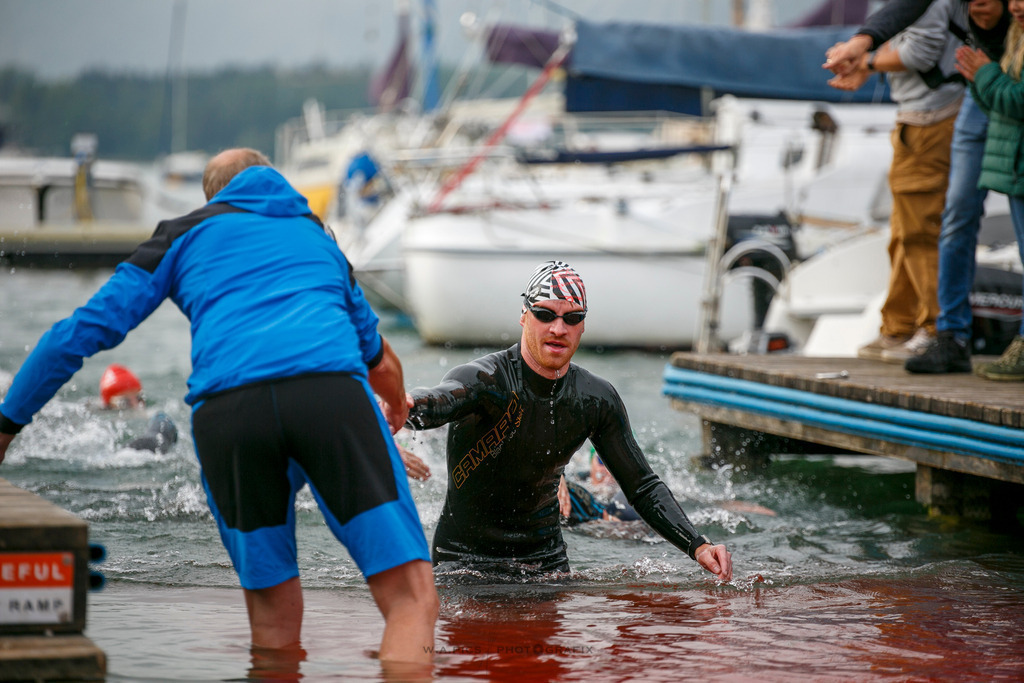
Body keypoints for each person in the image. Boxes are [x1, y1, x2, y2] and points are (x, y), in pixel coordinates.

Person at [0, 148, 439, 664]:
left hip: (228, 414)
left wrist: (6, 427)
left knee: (274, 620)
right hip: (328, 397)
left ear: (214, 196)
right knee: (411, 599)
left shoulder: (185, 232)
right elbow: (380, 361)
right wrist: (392, 411)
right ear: (274, 177)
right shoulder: (317, 237)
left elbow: (70, 337)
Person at [403, 260, 732, 582]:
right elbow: (437, 400)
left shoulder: (595, 398)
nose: (558, 329)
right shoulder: (485, 379)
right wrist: (401, 407)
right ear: (524, 315)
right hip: (464, 566)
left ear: (583, 325)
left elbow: (642, 485)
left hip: (546, 568)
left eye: (571, 318)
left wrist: (697, 545)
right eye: (545, 315)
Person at [828, 1, 1012, 372]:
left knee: (923, 228)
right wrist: (865, 43)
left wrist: (866, 61)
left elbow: (922, 50)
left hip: (935, 117)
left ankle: (932, 327)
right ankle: (907, 328)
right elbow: (901, 15)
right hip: (936, 112)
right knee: (913, 227)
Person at [955, 0, 1024, 379]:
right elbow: (1002, 105)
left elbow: (1018, 99)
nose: (1016, 5)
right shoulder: (1015, 37)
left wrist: (984, 76)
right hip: (1014, 169)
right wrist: (979, 80)